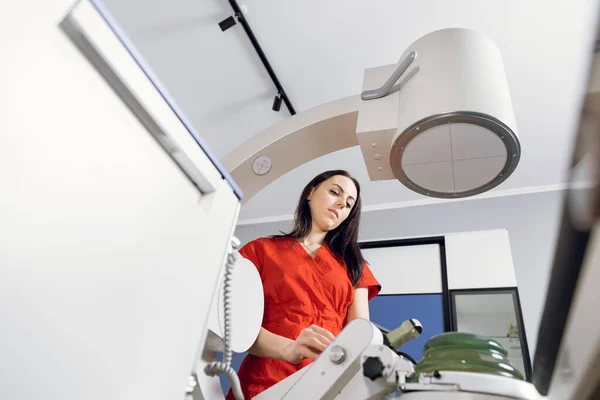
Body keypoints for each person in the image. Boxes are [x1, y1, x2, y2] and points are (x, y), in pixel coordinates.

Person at [226, 170, 381, 399]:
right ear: (311, 192)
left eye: (349, 204)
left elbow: (360, 337)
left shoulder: (354, 266)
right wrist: (289, 349)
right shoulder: (260, 251)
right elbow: (236, 327)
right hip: (263, 382)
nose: (341, 204)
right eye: (334, 192)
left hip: (325, 383)